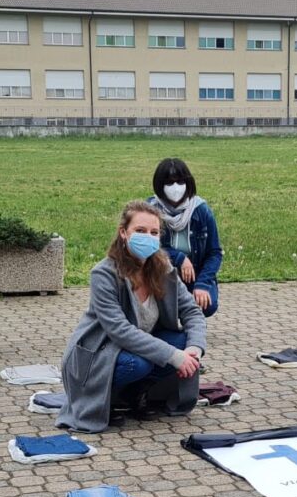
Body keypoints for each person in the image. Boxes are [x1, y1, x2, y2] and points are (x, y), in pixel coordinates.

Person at [57, 200, 207, 433]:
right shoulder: (104, 273)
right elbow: (119, 330)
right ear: (123, 233)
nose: (148, 237)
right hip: (100, 351)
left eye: (154, 232)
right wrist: (173, 356)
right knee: (139, 363)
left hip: (136, 345)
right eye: (140, 231)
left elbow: (192, 311)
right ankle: (109, 399)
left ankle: (136, 393)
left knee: (182, 342)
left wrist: (194, 349)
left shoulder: (163, 268)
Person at [148, 158, 222, 316]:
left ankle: (190, 319)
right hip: (162, 274)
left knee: (207, 304)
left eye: (180, 182)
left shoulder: (202, 211)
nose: (175, 188)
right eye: (169, 183)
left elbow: (214, 252)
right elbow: (148, 247)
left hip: (194, 275)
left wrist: (202, 284)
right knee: (165, 307)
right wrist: (179, 258)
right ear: (159, 185)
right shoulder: (150, 210)